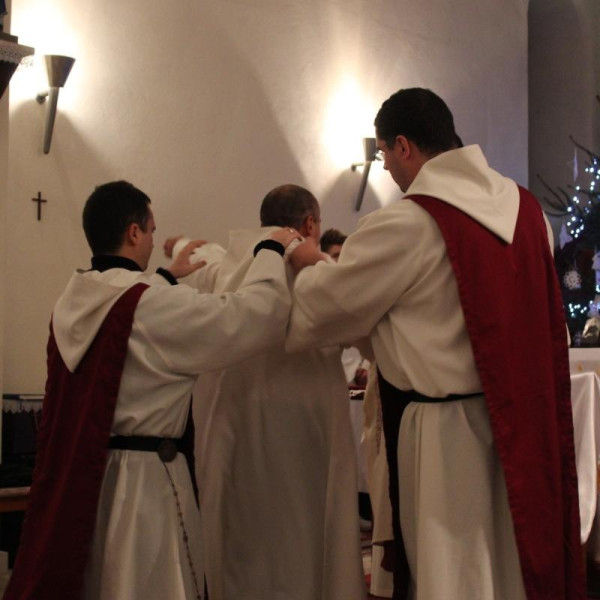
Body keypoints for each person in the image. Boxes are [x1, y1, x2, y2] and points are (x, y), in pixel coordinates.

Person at [286, 88, 583, 599]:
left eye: (384, 154)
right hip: (517, 424)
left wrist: (304, 259)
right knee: (510, 565)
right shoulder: (527, 210)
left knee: (455, 573)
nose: (386, 168)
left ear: (403, 145)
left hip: (444, 437)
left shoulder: (407, 222)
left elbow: (329, 306)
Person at [4, 180, 299, 600]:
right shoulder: (151, 306)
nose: (154, 240)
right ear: (133, 232)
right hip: (147, 485)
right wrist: (269, 250)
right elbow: (254, 316)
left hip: (90, 479)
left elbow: (128, 311)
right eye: (152, 230)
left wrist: (165, 276)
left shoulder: (73, 299)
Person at [167, 184, 366, 600]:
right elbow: (357, 316)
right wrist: (323, 260)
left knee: (243, 545)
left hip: (233, 430)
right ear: (309, 224)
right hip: (302, 435)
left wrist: (178, 243)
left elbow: (201, 257)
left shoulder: (228, 266)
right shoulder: (313, 274)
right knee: (302, 541)